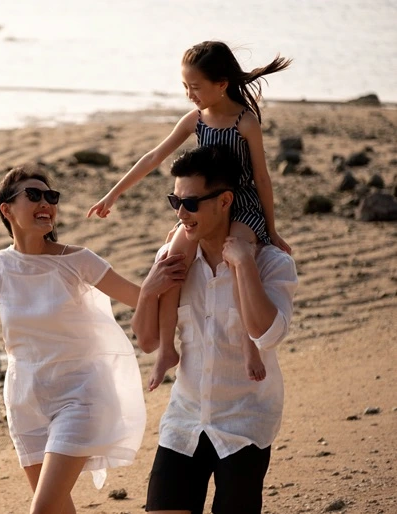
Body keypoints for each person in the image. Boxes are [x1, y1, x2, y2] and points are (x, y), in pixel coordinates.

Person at [0, 163, 186, 514]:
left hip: (81, 396)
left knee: (42, 509)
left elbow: (141, 298)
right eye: (34, 195)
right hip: (25, 403)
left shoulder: (78, 260)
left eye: (51, 196)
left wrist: (158, 278)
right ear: (7, 210)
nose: (46, 203)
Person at [88, 40, 293, 391]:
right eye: (185, 86)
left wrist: (271, 230)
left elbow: (261, 178)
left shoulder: (245, 122)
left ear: (222, 84)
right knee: (173, 261)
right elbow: (154, 157)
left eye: (195, 87)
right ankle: (167, 349)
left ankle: (250, 347)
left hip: (243, 205)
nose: (189, 94)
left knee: (236, 258)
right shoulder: (195, 120)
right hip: (202, 204)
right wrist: (113, 194)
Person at [132, 146, 298, 514]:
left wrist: (244, 265)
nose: (180, 213)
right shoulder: (173, 260)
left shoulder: (273, 263)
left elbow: (267, 334)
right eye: (175, 201)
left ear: (225, 201)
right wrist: (147, 291)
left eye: (190, 203)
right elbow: (147, 341)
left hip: (245, 423)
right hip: (184, 421)